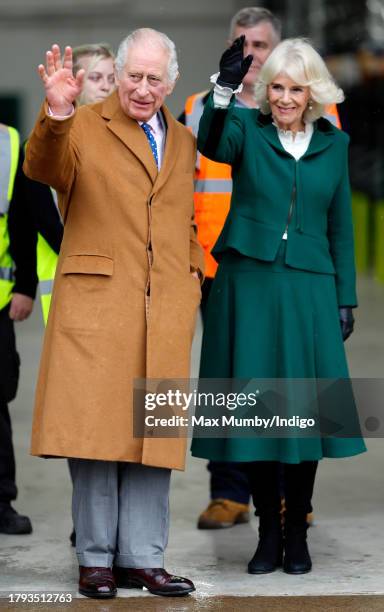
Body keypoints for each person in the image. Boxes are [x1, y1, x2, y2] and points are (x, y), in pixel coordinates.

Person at [23, 28, 204, 599]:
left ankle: (144, 559)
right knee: (97, 436)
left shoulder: (181, 140)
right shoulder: (81, 125)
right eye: (134, 76)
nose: (143, 89)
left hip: (164, 307)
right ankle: (96, 557)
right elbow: (42, 167)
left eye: (155, 79)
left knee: (152, 436)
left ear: (171, 83)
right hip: (99, 306)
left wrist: (192, 275)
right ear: (118, 75)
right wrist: (56, 110)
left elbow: (182, 220)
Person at [191, 37, 366, 575]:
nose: (285, 98)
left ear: (314, 93)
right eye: (277, 88)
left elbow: (340, 225)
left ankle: (297, 530)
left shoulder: (334, 145)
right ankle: (268, 532)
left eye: (295, 88)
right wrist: (223, 90)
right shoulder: (246, 129)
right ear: (265, 91)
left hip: (311, 288)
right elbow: (211, 142)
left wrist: (345, 297)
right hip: (249, 285)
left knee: (306, 413)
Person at [0, 125, 36, 535]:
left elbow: (22, 222)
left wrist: (25, 285)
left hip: (1, 299)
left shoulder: (10, 143)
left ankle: (1, 501)